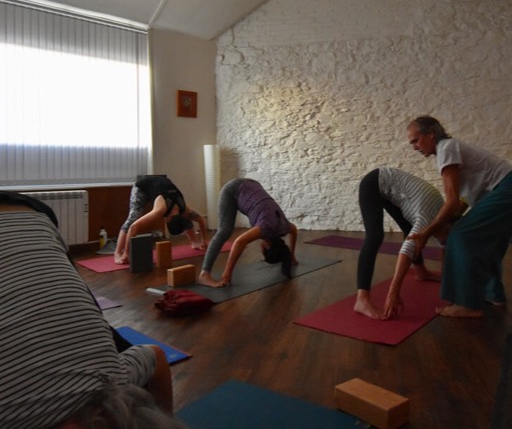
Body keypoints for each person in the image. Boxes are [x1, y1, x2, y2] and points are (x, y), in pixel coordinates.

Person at [0, 192, 180, 429]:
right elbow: (134, 224)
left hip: (33, 213)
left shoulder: (113, 383)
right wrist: (122, 253)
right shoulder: (165, 200)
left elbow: (155, 357)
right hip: (32, 214)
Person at [406, 115, 512, 318]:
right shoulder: (449, 150)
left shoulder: (446, 147)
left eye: (415, 140)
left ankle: (467, 304)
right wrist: (446, 222)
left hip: (506, 190)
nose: (414, 147)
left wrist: (427, 232)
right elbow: (461, 202)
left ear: (431, 134)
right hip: (502, 193)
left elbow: (452, 201)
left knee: (460, 235)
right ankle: (494, 295)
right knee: (488, 242)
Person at [354, 167, 447, 320]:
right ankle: (361, 300)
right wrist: (393, 293)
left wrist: (447, 277)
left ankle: (421, 271)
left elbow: (444, 245)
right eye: (442, 239)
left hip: (393, 189)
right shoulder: (427, 218)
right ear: (447, 226)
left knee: (409, 228)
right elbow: (407, 249)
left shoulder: (443, 216)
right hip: (374, 182)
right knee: (375, 236)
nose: (440, 242)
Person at [198, 178, 298, 287]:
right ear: (267, 246)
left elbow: (294, 231)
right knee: (224, 231)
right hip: (232, 190)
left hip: (252, 184)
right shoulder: (266, 228)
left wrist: (291, 256)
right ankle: (204, 274)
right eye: (263, 253)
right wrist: (227, 273)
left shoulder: (284, 227)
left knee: (227, 229)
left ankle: (205, 273)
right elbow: (239, 242)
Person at [114, 175, 208, 264]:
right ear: (167, 220)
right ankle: (117, 253)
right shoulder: (160, 210)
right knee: (133, 218)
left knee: (187, 217)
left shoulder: (184, 209)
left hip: (162, 185)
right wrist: (126, 253)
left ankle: (195, 242)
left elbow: (201, 219)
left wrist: (203, 241)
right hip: (142, 186)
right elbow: (133, 228)